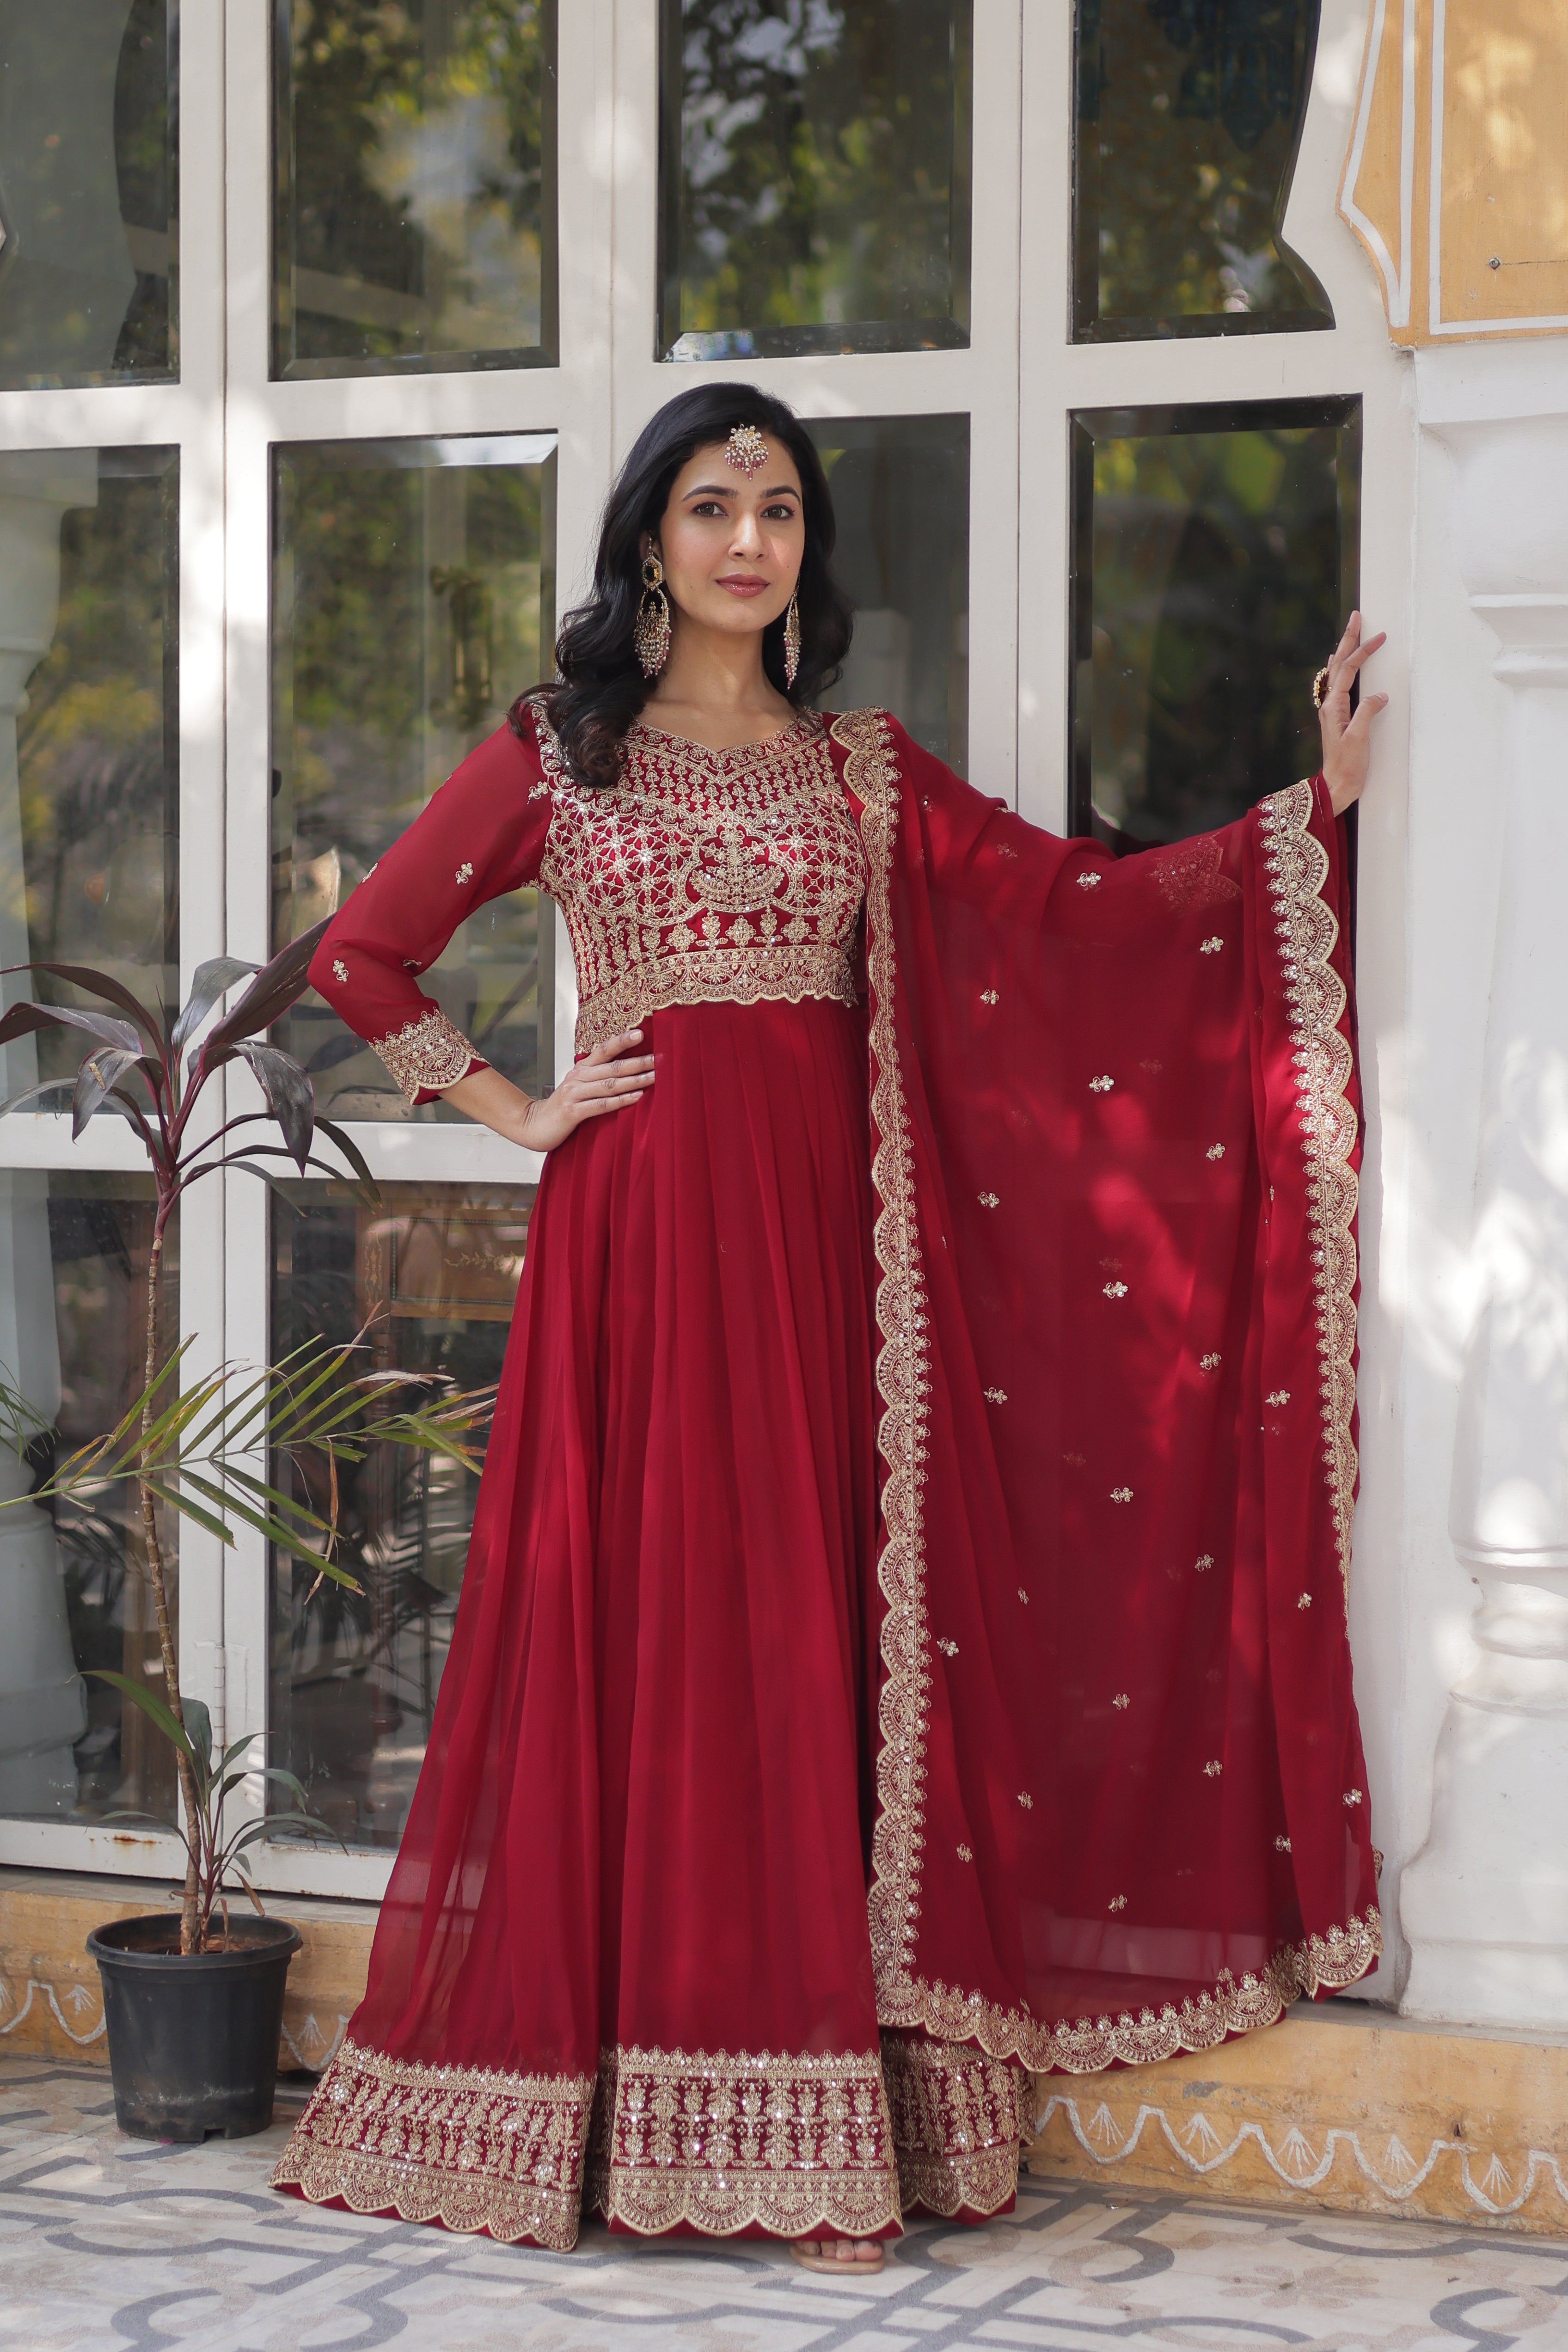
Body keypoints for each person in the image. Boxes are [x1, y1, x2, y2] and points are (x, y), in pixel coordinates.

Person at [273, 382, 1389, 2271]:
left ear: (805, 549)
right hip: (634, 1241)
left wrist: (1306, 819)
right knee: (649, 1627)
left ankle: (820, 2107)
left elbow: (1074, 921)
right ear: (649, 535)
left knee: (805, 1628)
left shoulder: (859, 772)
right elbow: (359, 953)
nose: (743, 540)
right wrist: (518, 1105)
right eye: (708, 504)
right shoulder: (563, 755)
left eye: (776, 508)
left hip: (824, 1257)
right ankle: (625, 2111)